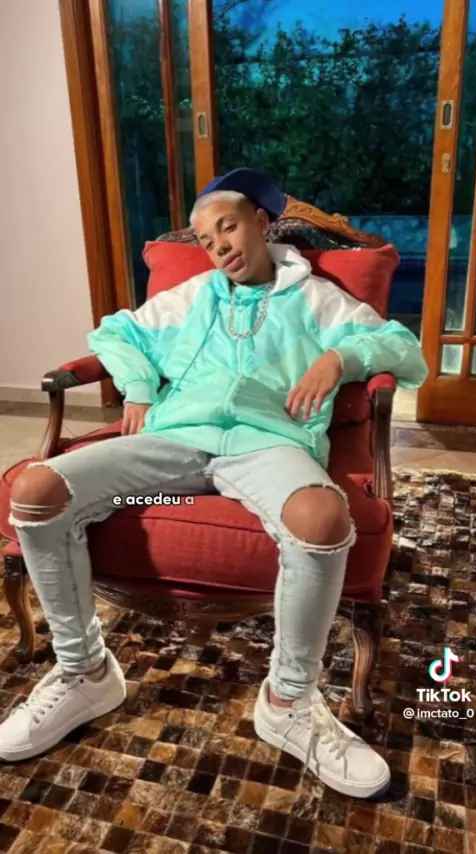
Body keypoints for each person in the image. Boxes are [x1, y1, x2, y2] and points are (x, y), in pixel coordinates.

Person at [1, 167, 428, 799]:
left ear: (262, 222)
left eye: (228, 228)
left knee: (321, 520)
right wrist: (139, 386)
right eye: (205, 240)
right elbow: (116, 331)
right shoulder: (192, 296)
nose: (219, 246)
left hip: (268, 447)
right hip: (169, 453)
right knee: (36, 492)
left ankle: (288, 702)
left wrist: (340, 357)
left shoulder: (318, 298)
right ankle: (84, 671)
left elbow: (405, 350)